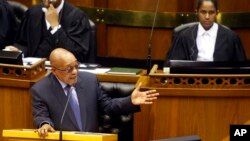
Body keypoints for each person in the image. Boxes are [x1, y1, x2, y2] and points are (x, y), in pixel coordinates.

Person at [30, 48, 159, 137]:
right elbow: (41, 116)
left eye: (76, 66)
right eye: (68, 69)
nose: (75, 72)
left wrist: (129, 100)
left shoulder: (89, 80)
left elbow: (108, 106)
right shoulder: (41, 90)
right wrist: (45, 125)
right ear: (54, 70)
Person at [5, 0, 90, 62]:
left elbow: (77, 54)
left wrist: (56, 27)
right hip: (34, 70)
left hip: (61, 73)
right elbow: (24, 44)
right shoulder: (33, 13)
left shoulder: (77, 17)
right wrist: (18, 51)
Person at [166, 0, 246, 63]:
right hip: (191, 81)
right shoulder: (184, 36)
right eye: (203, 12)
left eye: (211, 12)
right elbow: (172, 65)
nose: (207, 17)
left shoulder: (231, 37)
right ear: (197, 12)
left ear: (217, 13)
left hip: (221, 81)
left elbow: (241, 67)